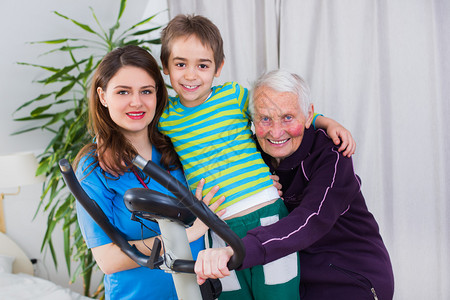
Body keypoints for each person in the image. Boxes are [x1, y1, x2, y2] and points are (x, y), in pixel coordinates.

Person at [158, 14, 356, 299]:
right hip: (217, 227)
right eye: (180, 64)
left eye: (202, 65)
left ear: (218, 67)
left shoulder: (234, 96)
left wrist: (325, 122)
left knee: (278, 295)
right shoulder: (166, 117)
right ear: (166, 67)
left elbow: (279, 110)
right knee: (231, 296)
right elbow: (133, 126)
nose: (191, 75)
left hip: (267, 215)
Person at [194, 69, 395, 300]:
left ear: (309, 115)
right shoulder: (252, 159)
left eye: (288, 117)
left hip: (350, 277)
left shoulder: (332, 156)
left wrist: (238, 250)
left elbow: (310, 220)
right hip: (294, 281)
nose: (276, 132)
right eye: (265, 119)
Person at [74, 45, 224, 300]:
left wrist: (265, 185)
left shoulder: (178, 146)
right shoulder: (92, 167)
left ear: (158, 95)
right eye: (123, 92)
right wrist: (187, 235)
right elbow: (108, 260)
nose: (136, 102)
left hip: (197, 292)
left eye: (146, 91)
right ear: (103, 96)